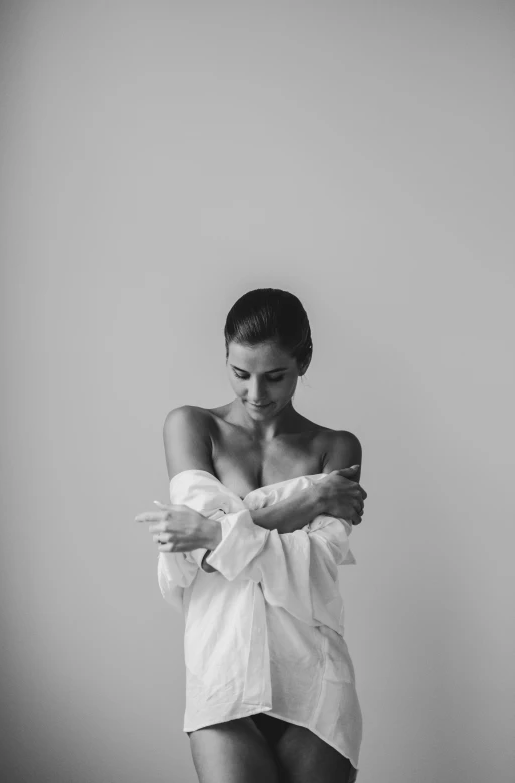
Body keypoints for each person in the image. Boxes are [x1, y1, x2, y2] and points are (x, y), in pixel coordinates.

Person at [136, 288, 367, 783]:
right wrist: (307, 500)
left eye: (275, 376)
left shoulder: (336, 447)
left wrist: (210, 533)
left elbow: (317, 563)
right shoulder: (192, 427)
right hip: (221, 678)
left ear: (303, 361)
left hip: (315, 679)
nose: (257, 393)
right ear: (225, 356)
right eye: (241, 374)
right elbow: (203, 559)